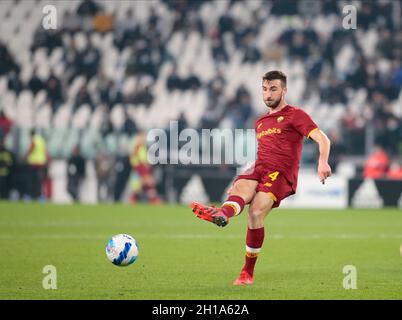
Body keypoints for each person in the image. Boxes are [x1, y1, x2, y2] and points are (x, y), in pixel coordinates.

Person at [191, 71, 332, 285]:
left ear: (284, 90)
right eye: (265, 89)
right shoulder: (260, 122)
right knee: (239, 189)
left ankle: (247, 273)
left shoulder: (296, 115)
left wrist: (323, 161)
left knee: (255, 212)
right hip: (259, 166)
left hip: (281, 173)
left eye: (273, 89)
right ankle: (223, 214)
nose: (268, 94)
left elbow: (323, 138)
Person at [129, 132, 162, 204]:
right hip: (140, 170)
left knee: (141, 187)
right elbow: (135, 160)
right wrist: (142, 167)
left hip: (142, 169)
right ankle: (154, 201)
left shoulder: (142, 147)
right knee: (149, 184)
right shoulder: (137, 147)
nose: (143, 139)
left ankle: (133, 200)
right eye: (142, 137)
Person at [25, 130, 50, 200]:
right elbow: (45, 151)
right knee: (39, 181)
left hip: (34, 163)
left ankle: (30, 196)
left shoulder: (34, 140)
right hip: (41, 163)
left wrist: (24, 156)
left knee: (31, 180)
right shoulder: (41, 140)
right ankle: (40, 196)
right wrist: (48, 160)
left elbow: (31, 149)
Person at [0, 134, 15, 199]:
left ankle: (5, 196)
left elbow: (10, 163)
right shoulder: (6, 152)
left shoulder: (7, 152)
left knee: (4, 186)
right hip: (4, 173)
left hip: (5, 174)